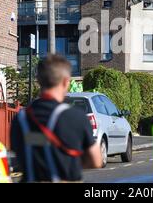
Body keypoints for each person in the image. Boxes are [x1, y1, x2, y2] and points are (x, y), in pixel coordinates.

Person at [10, 54, 102, 183]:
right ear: (65, 81)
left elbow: (19, 152)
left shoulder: (20, 119)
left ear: (38, 81)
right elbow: (96, 160)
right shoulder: (76, 117)